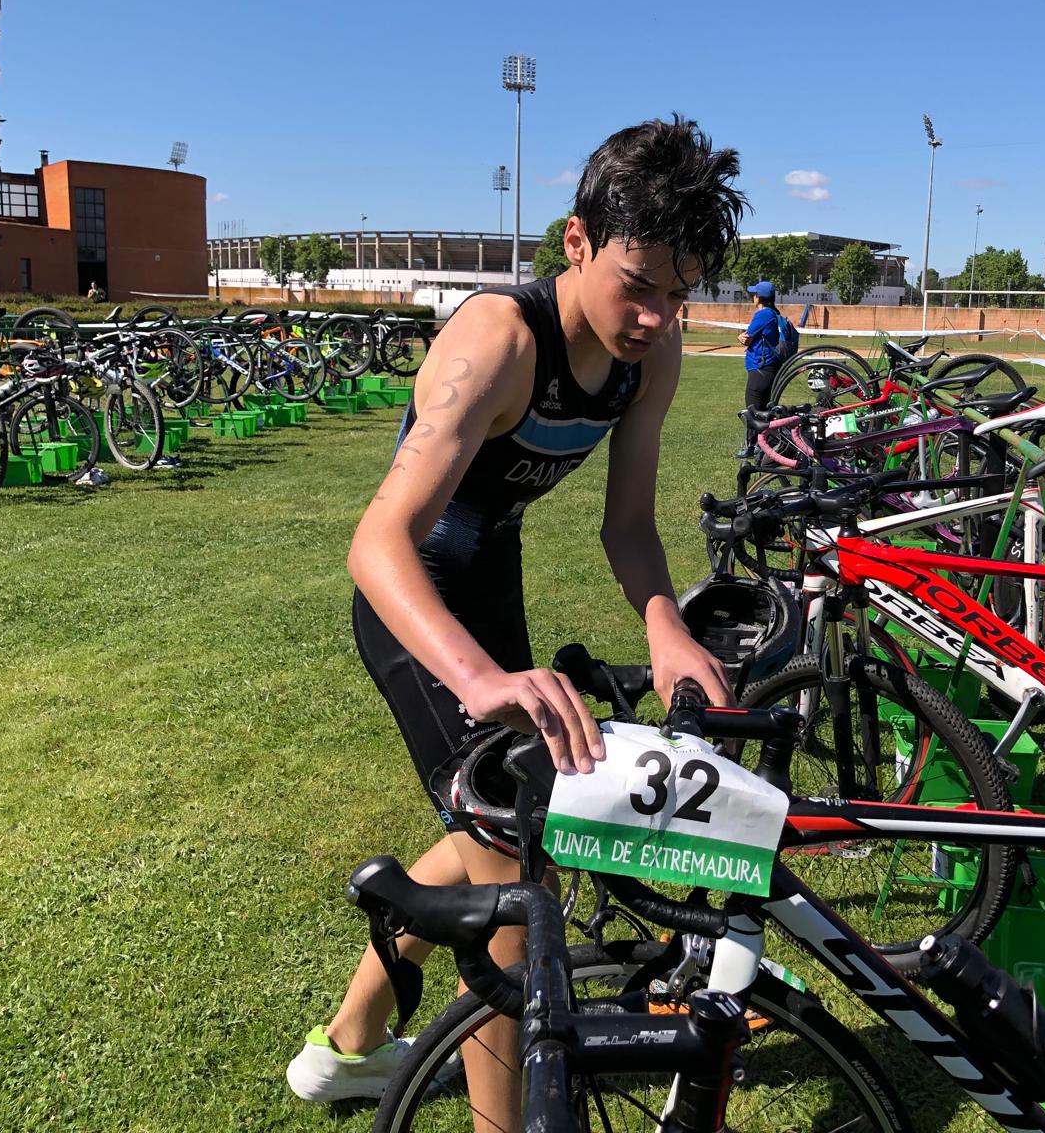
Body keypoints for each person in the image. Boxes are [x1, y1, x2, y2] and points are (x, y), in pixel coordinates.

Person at [286, 116, 746, 1119]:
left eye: (681, 292)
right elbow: (377, 543)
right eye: (641, 285)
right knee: (511, 866)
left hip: (490, 576)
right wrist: (479, 677)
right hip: (412, 600)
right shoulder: (497, 338)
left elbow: (627, 527)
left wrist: (666, 625)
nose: (660, 317)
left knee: (501, 823)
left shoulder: (649, 358)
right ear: (575, 241)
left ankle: (348, 1046)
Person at [734, 279, 782, 457]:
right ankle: (764, 446)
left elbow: (747, 337)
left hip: (760, 367)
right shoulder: (773, 313)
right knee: (764, 409)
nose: (752, 297)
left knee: (752, 409)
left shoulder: (763, 314)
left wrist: (740, 337)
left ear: (759, 297)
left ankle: (750, 447)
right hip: (767, 368)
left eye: (754, 294)